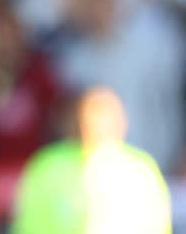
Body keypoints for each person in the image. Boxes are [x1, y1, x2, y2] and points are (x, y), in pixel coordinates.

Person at [10, 87, 171, 234]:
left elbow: (157, 225)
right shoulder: (47, 164)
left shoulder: (140, 168)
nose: (95, 123)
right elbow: (29, 224)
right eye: (90, 115)